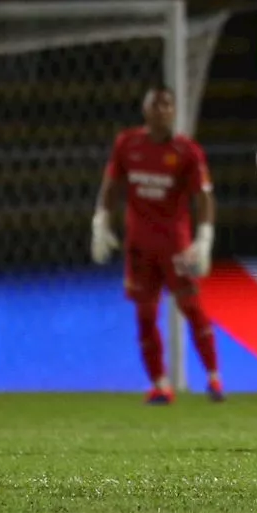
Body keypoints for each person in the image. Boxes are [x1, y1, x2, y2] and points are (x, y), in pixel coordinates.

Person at [92, 86, 222, 404]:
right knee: (146, 314)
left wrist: (203, 238)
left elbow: (203, 197)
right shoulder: (127, 144)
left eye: (167, 105)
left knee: (191, 307)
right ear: (145, 109)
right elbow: (111, 185)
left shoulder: (187, 152)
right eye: (155, 104)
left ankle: (214, 378)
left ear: (174, 111)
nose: (161, 110)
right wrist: (101, 221)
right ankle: (160, 383)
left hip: (175, 246)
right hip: (139, 246)